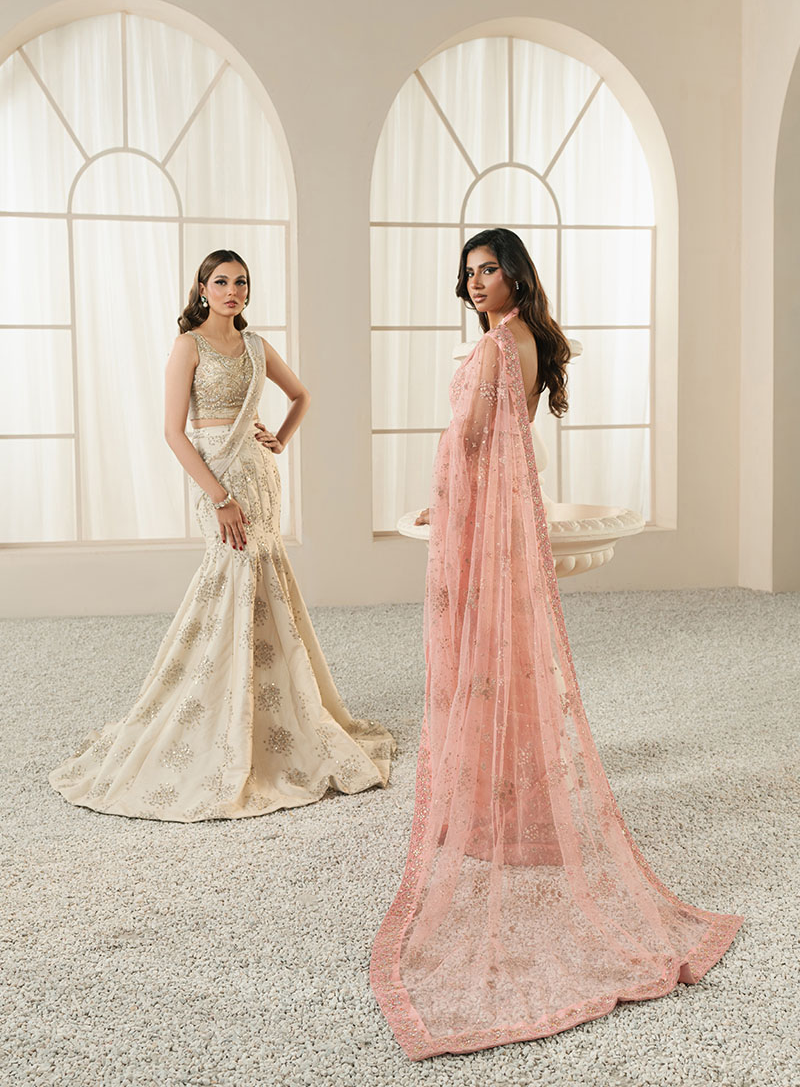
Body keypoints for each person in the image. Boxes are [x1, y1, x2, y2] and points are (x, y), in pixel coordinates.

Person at [370, 228, 742, 1059]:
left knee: (483, 656)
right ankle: (508, 796)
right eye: (468, 272)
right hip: (510, 508)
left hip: (485, 513)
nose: (476, 282)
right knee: (508, 658)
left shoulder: (496, 345)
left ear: (516, 275)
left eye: (489, 269)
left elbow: (469, 439)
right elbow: (507, 434)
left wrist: (445, 506)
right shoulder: (531, 341)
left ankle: (491, 805)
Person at [50, 249, 394, 821]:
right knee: (227, 576)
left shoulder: (256, 346)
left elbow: (302, 395)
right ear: (203, 288)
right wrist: (219, 497)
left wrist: (279, 438)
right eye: (221, 281)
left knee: (264, 576)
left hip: (258, 477)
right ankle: (215, 703)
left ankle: (269, 705)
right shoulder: (188, 345)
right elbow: (173, 432)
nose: (232, 290)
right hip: (217, 476)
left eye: (241, 282)